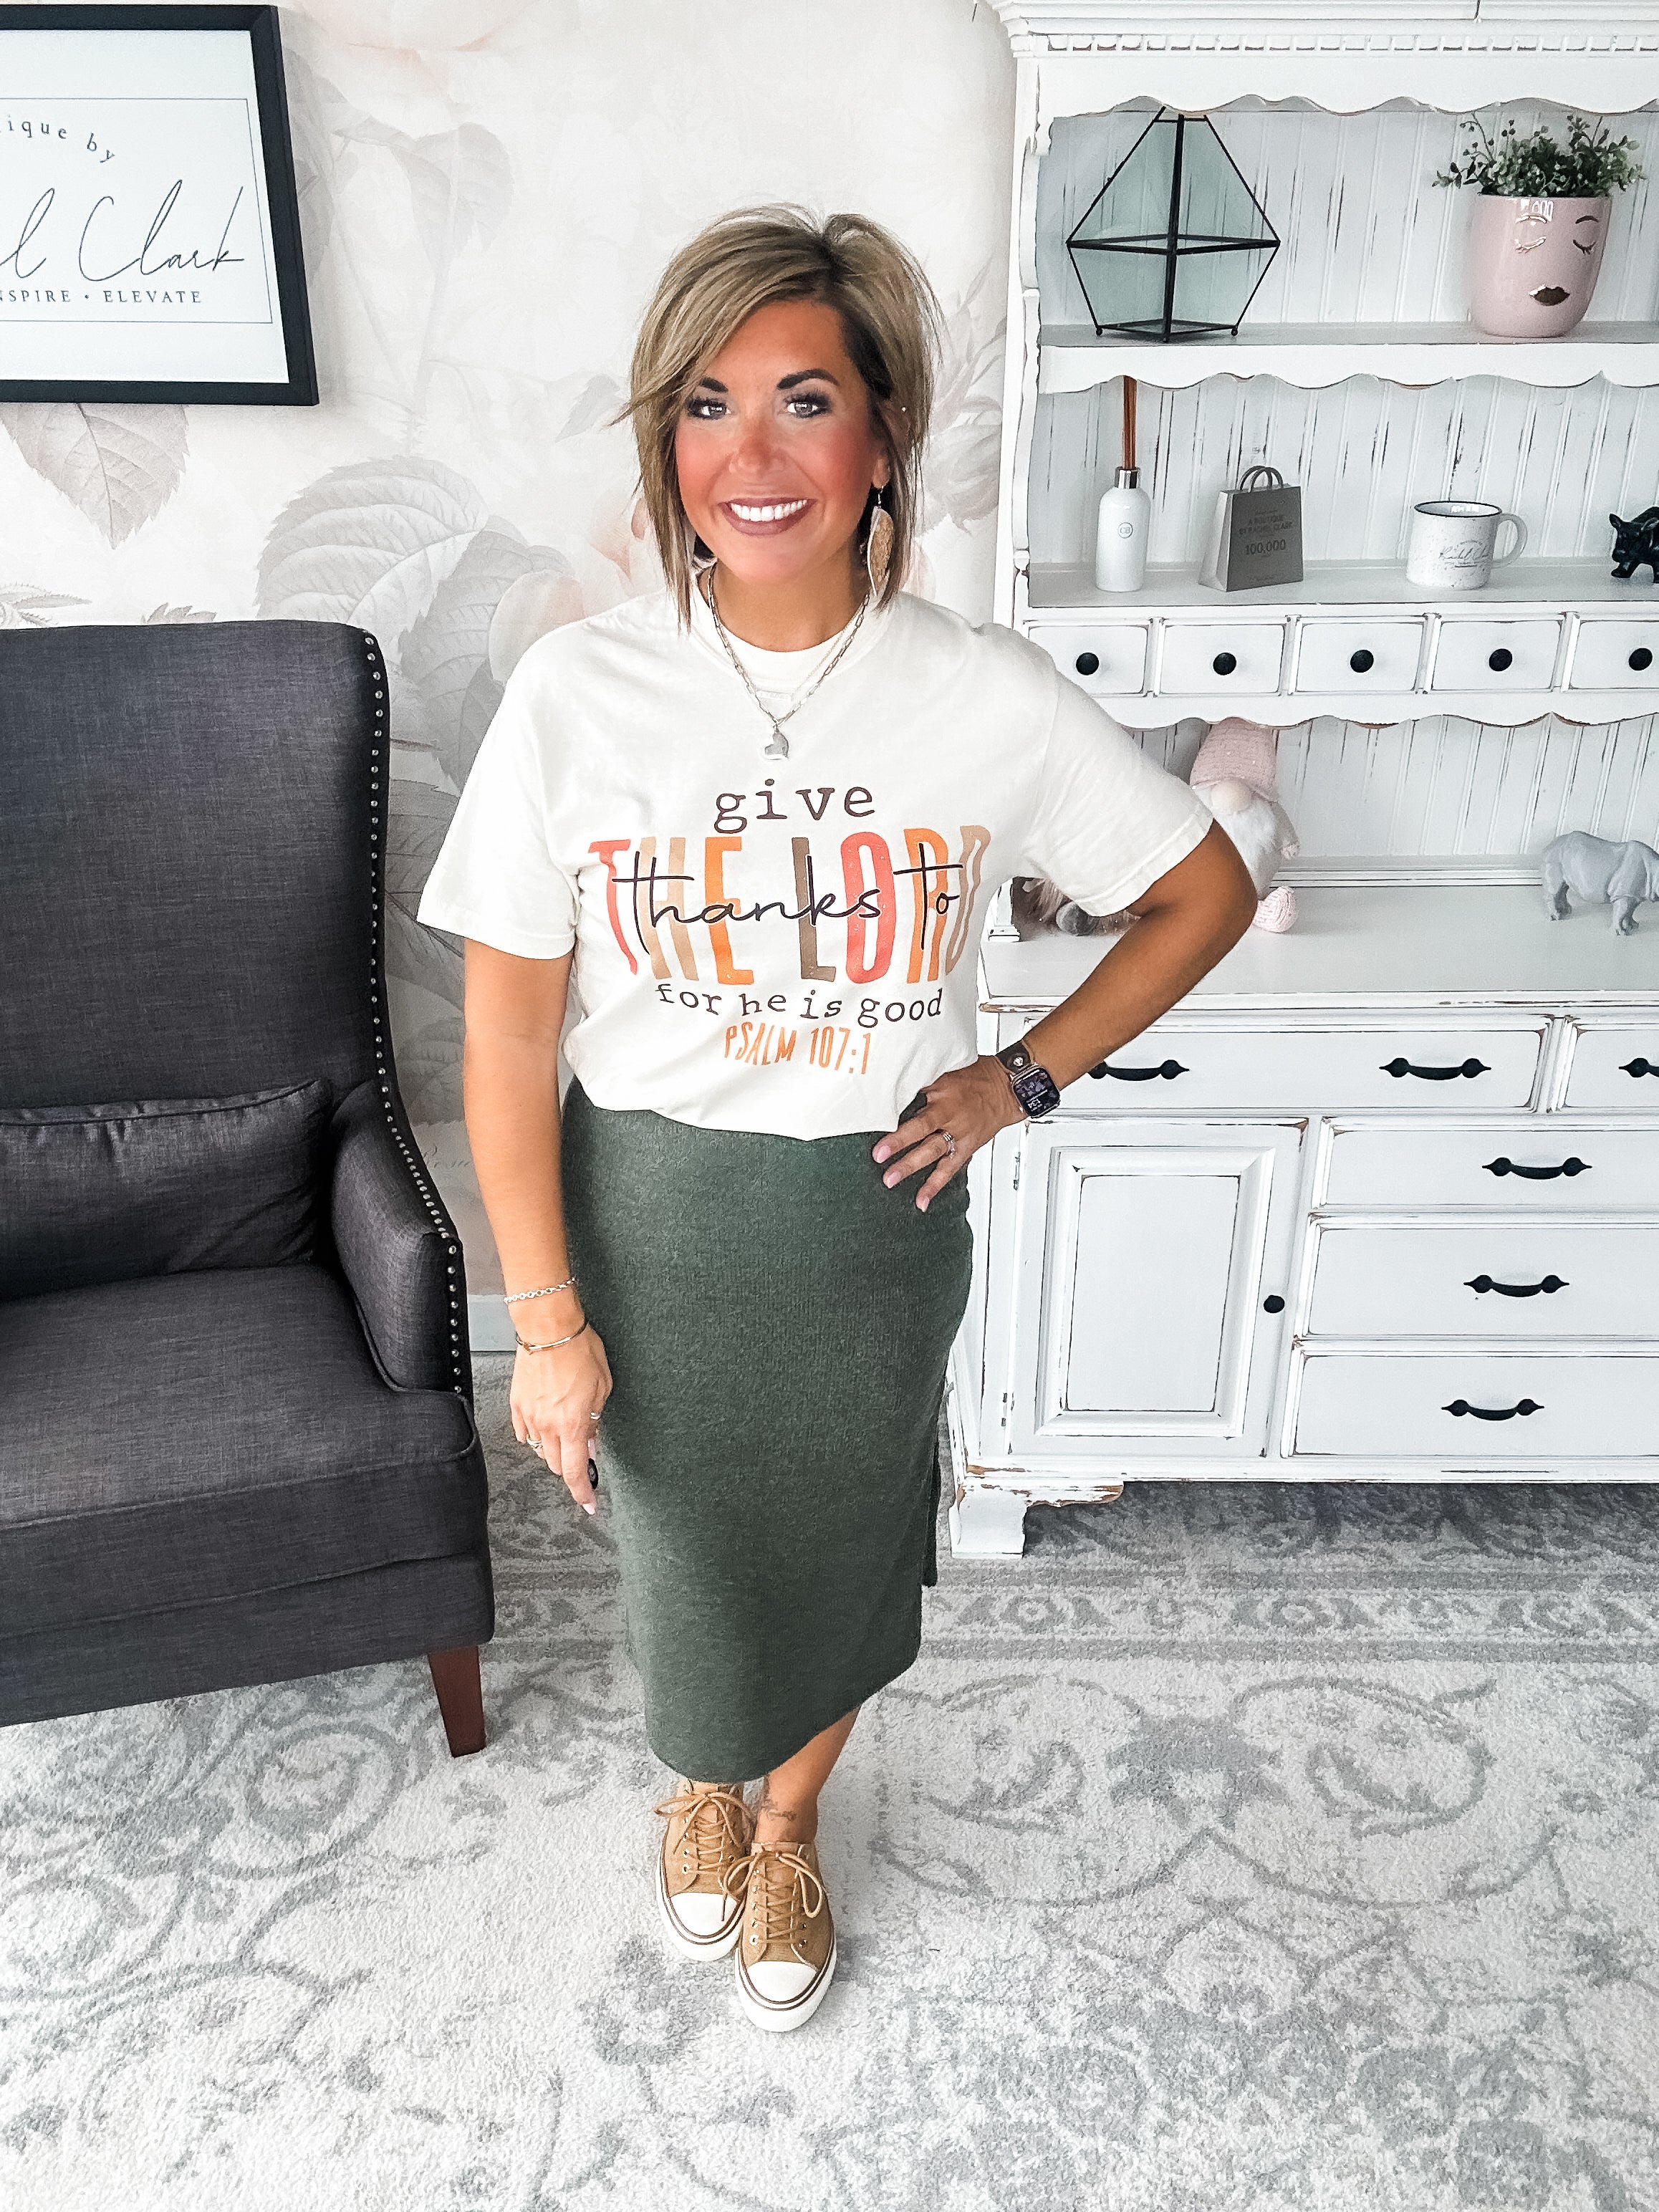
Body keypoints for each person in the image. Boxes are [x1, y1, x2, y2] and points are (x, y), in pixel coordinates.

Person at [416, 204, 1257, 2034]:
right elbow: (507, 1034)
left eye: (808, 401)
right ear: (666, 444)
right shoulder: (581, 692)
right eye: (709, 406)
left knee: (848, 1540)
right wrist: (543, 1318)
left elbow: (1201, 892)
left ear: (883, 434)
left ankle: (784, 1814)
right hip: (643, 1214)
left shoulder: (984, 693)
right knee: (691, 1552)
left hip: (872, 1220)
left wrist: (1024, 1074)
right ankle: (701, 1775)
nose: (755, 456)